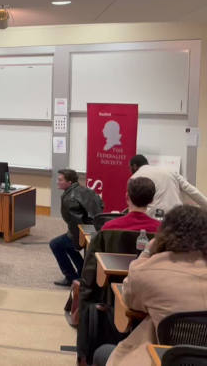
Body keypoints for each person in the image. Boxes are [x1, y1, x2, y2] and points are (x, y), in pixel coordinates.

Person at [92, 205, 207, 366]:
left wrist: (147, 251)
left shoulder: (149, 271)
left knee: (101, 352)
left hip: (164, 358)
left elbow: (129, 300)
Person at [50, 168, 103, 287]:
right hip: (97, 230)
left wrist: (77, 243)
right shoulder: (87, 190)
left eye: (60, 180)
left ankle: (70, 277)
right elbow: (101, 205)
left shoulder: (69, 198)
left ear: (69, 182)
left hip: (84, 232)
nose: (57, 182)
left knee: (55, 244)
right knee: (66, 245)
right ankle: (81, 272)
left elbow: (76, 223)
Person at [130, 154, 207, 218]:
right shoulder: (170, 171)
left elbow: (135, 205)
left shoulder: (135, 178)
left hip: (154, 219)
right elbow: (192, 191)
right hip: (177, 215)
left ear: (134, 166)